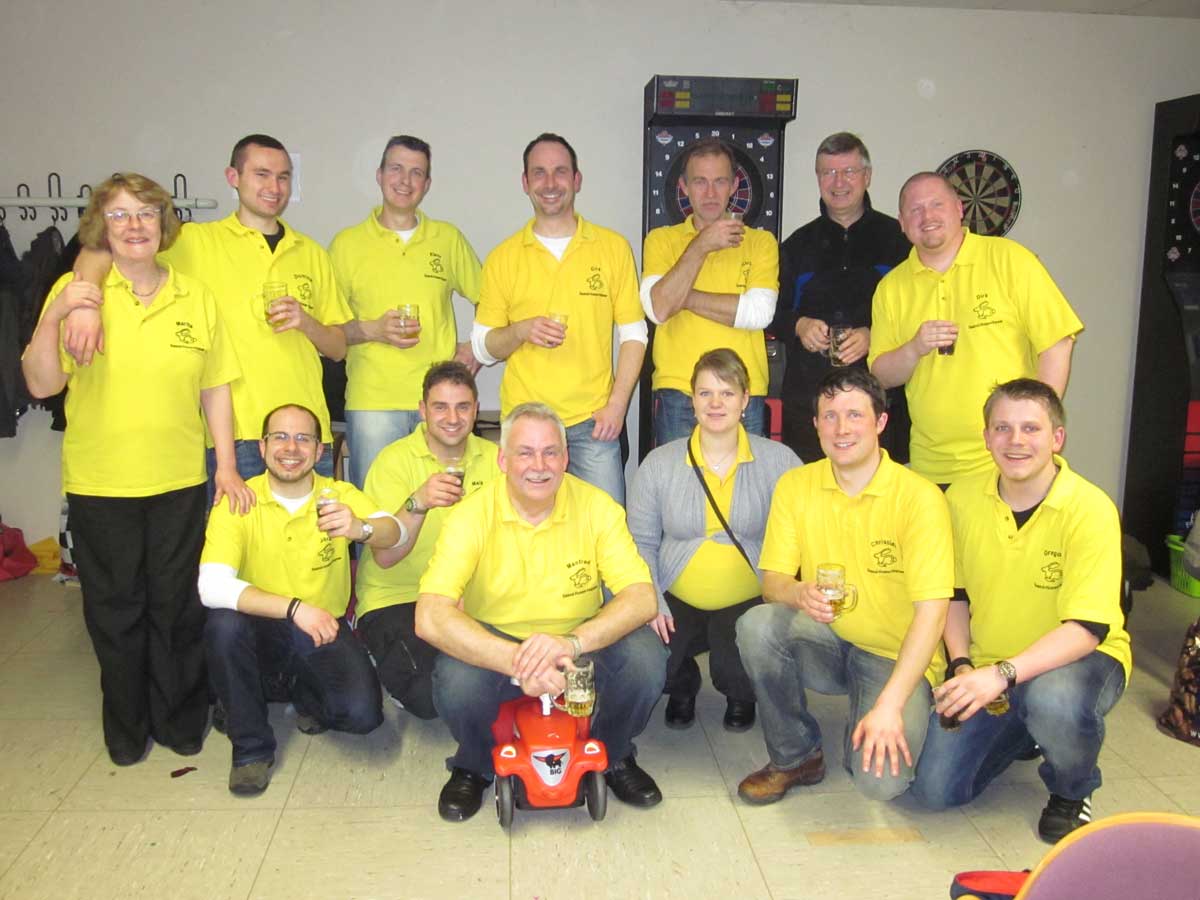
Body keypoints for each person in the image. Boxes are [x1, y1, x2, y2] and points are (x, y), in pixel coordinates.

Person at [21, 173, 251, 766]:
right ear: (101, 226)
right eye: (120, 215)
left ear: (163, 223)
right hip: (101, 483)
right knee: (115, 609)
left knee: (176, 606)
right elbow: (41, 383)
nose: (134, 226)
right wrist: (57, 314)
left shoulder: (194, 296)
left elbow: (216, 388)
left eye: (146, 213)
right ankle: (125, 727)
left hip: (179, 480)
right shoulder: (78, 293)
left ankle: (180, 719)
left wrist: (226, 466)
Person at [416, 402, 666, 822]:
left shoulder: (598, 507)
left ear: (566, 458)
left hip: (577, 640)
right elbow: (429, 616)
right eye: (525, 453)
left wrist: (572, 643)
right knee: (455, 681)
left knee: (645, 659)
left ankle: (613, 753)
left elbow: (642, 598)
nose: (539, 465)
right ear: (503, 460)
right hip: (498, 643)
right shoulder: (470, 515)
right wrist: (518, 661)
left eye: (551, 452)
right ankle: (475, 763)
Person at [912, 379, 1130, 844]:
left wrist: (1002, 674)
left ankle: (1071, 790)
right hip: (991, 665)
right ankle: (1028, 728)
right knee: (935, 790)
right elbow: (955, 594)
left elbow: (1087, 628)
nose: (1015, 441)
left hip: (1080, 660)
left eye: (1031, 428)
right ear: (986, 437)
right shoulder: (961, 498)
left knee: (1054, 698)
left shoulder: (1091, 508)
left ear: (1057, 438)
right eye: (1002, 428)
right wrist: (962, 663)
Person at [67, 134, 351, 489]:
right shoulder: (193, 242)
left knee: (312, 528)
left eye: (283, 177)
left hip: (306, 435)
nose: (274, 187)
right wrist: (84, 305)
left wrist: (306, 323)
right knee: (231, 529)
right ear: (233, 177)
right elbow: (99, 250)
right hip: (232, 437)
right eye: (261, 174)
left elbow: (338, 348)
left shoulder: (311, 253)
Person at [735, 368, 953, 804]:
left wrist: (890, 705)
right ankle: (795, 756)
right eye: (830, 416)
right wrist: (798, 593)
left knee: (881, 784)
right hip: (829, 639)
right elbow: (773, 582)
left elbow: (933, 615)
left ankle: (892, 706)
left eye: (855, 415)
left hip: (894, 654)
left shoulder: (920, 498)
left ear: (880, 422)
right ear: (816, 424)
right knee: (757, 626)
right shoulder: (796, 485)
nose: (841, 428)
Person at [198, 403, 401, 795]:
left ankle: (288, 693)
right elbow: (210, 586)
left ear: (319, 450)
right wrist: (294, 609)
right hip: (259, 629)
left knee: (363, 716)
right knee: (223, 625)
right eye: (280, 437)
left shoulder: (338, 495)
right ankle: (250, 750)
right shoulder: (239, 499)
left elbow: (395, 532)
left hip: (320, 629)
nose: (291, 448)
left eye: (303, 438)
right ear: (262, 447)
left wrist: (361, 528)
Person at [868, 172, 1083, 486]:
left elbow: (1057, 343)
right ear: (902, 222)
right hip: (933, 466)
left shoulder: (1009, 259)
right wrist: (914, 348)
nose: (927, 216)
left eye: (937, 204)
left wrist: (1035, 428)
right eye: (915, 209)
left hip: (1008, 461)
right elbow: (882, 375)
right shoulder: (891, 288)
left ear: (959, 208)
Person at [628, 349, 799, 732]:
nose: (715, 403)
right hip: (674, 593)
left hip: (749, 595)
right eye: (705, 393)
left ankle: (741, 693)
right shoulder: (659, 463)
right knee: (648, 656)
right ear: (692, 400)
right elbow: (640, 542)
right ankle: (683, 685)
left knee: (739, 661)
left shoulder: (780, 462)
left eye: (727, 393)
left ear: (745, 399)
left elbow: (803, 533)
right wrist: (651, 601)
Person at [472, 133, 646, 505]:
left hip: (594, 423)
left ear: (576, 179)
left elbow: (635, 335)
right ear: (525, 182)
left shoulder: (613, 248)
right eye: (539, 173)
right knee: (524, 528)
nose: (550, 183)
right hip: (525, 425)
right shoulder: (503, 257)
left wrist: (617, 406)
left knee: (604, 529)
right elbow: (483, 348)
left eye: (560, 172)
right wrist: (521, 330)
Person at [330, 135, 483, 488]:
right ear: (379, 175)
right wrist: (373, 330)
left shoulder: (447, 238)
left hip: (441, 402)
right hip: (373, 402)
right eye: (396, 169)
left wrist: (475, 349)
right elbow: (329, 331)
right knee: (376, 506)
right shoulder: (346, 245)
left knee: (445, 505)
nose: (405, 180)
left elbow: (490, 299)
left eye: (417, 173)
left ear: (427, 184)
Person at [354, 361, 500, 718]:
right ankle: (375, 647)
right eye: (440, 407)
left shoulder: (496, 459)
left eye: (462, 407)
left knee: (500, 673)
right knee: (431, 697)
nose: (452, 418)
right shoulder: (393, 461)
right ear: (422, 410)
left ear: (476, 410)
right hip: (399, 597)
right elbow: (385, 558)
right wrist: (418, 502)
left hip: (469, 596)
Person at [772, 132, 911, 463]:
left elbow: (919, 311)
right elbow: (772, 312)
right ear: (818, 178)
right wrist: (799, 325)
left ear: (867, 176)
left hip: (882, 403)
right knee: (812, 490)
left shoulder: (899, 242)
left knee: (880, 492)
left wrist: (874, 335)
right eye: (828, 172)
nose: (838, 182)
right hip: (809, 407)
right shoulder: (796, 246)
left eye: (849, 171)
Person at [641, 137, 779, 444]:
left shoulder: (761, 243)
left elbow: (758, 313)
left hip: (743, 390)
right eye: (700, 182)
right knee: (677, 477)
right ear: (684, 187)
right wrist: (701, 245)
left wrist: (682, 297)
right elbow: (659, 309)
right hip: (679, 390)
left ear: (734, 186)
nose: (711, 193)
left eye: (720, 181)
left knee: (744, 477)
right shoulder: (661, 240)